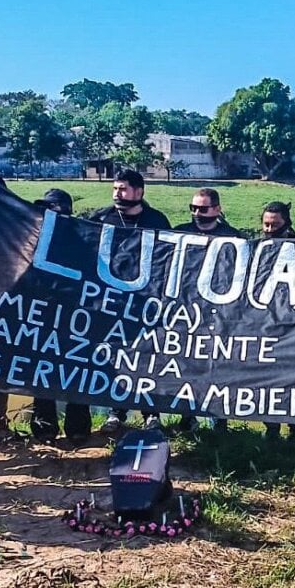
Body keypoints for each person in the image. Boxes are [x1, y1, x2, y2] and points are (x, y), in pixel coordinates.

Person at [91, 170, 171, 433]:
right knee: (116, 355)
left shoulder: (157, 220)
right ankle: (116, 412)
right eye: (115, 189)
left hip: (147, 302)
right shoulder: (101, 218)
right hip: (110, 301)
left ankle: (151, 412)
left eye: (123, 189)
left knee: (148, 356)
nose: (117, 194)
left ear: (139, 191)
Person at [173, 189, 244, 432]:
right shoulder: (179, 233)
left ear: (216, 209)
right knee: (185, 366)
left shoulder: (234, 238)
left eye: (202, 209)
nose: (196, 213)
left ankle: (219, 420)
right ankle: (186, 417)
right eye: (193, 208)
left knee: (218, 368)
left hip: (220, 316)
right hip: (185, 315)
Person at [29, 189, 93, 444]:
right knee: (41, 371)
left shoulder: (85, 238)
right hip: (41, 314)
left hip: (75, 315)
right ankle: (44, 428)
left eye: (53, 208)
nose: (48, 212)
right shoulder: (33, 236)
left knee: (77, 372)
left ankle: (78, 428)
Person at [258, 202, 295, 441]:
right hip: (265, 326)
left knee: (294, 380)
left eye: (274, 225)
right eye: (266, 224)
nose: (269, 229)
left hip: (294, 327)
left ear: (287, 223)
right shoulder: (255, 249)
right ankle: (272, 429)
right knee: (268, 380)